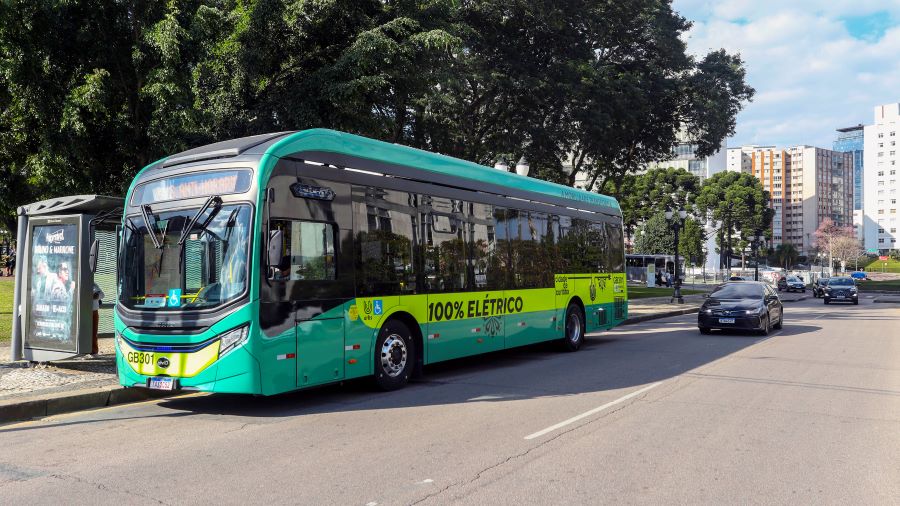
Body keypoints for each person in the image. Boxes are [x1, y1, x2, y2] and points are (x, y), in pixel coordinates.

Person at [90, 283, 105, 356]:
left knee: (94, 332)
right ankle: (83, 351)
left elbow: (102, 294)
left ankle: (94, 351)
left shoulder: (94, 285)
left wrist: (97, 296)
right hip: (83, 311)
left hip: (94, 311)